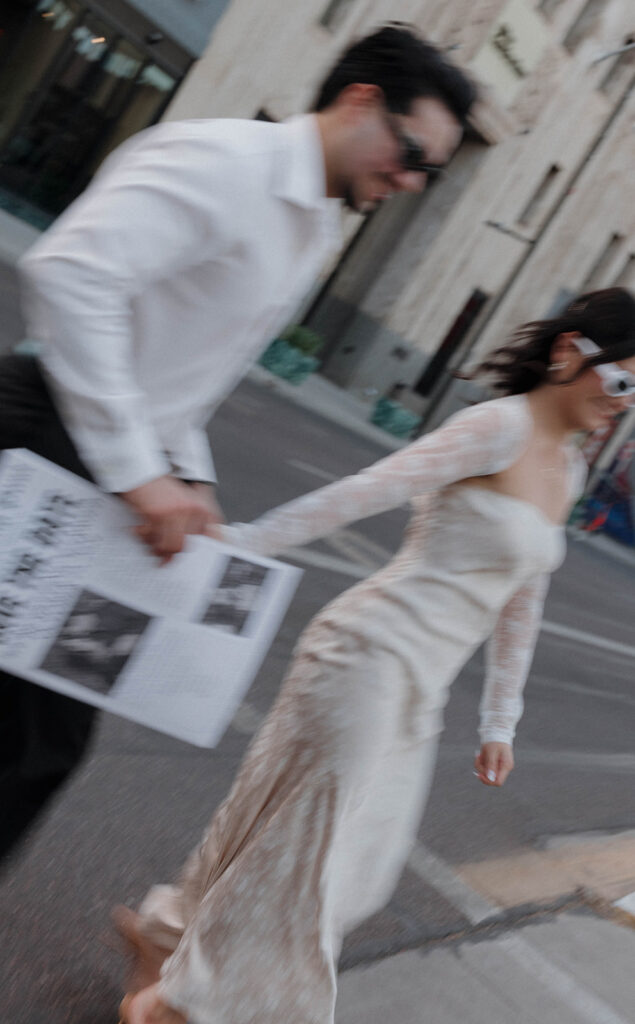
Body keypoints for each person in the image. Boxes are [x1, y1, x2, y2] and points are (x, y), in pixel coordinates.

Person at [0, 26, 475, 922]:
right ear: (358, 101)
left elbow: (188, 366)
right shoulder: (220, 158)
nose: (410, 182)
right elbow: (72, 276)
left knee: (45, 740)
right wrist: (136, 470)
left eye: (428, 172)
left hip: (114, 471)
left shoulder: (312, 225)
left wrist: (184, 474)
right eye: (412, 152)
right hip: (28, 428)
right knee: (43, 735)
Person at [117, 288, 635, 1024]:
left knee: (349, 864)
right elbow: (365, 492)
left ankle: (167, 936)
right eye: (621, 380)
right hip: (364, 653)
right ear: (566, 354)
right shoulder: (494, 427)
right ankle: (181, 1006)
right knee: (310, 861)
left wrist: (499, 720)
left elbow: (523, 599)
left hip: (417, 687)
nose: (625, 402)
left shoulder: (570, 470)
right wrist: (243, 543)